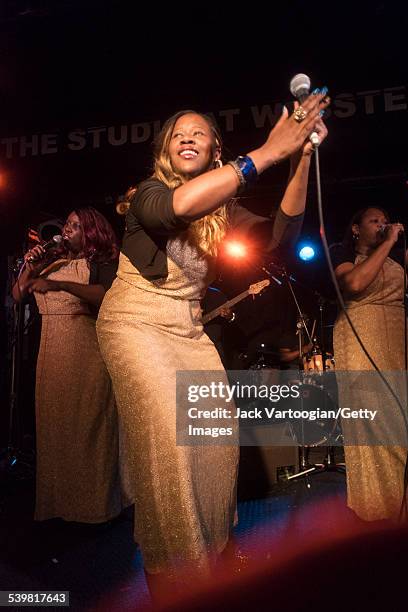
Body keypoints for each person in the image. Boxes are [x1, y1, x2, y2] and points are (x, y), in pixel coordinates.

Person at [96, 96, 329, 586]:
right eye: (178, 132)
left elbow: (281, 233)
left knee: (216, 443)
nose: (186, 137)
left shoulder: (225, 211)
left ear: (215, 148)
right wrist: (265, 153)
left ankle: (217, 557)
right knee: (171, 455)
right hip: (136, 324)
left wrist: (301, 156)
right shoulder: (150, 192)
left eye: (198, 132)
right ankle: (176, 577)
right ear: (164, 148)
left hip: (189, 328)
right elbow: (176, 208)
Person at [12, 207, 127, 524]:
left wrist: (62, 286)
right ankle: (61, 504)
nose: (69, 229)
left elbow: (104, 296)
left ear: (91, 231)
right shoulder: (52, 260)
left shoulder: (104, 260)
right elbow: (19, 294)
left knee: (88, 427)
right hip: (52, 349)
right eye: (68, 224)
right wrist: (31, 266)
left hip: (86, 347)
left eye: (77, 225)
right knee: (56, 425)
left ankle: (95, 508)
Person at [330, 170, 408, 522]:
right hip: (361, 336)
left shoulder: (397, 258)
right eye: (375, 221)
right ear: (356, 229)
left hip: (398, 339)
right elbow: (354, 284)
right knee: (380, 427)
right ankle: (384, 514)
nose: (383, 225)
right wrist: (388, 242)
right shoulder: (342, 255)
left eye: (386, 221)